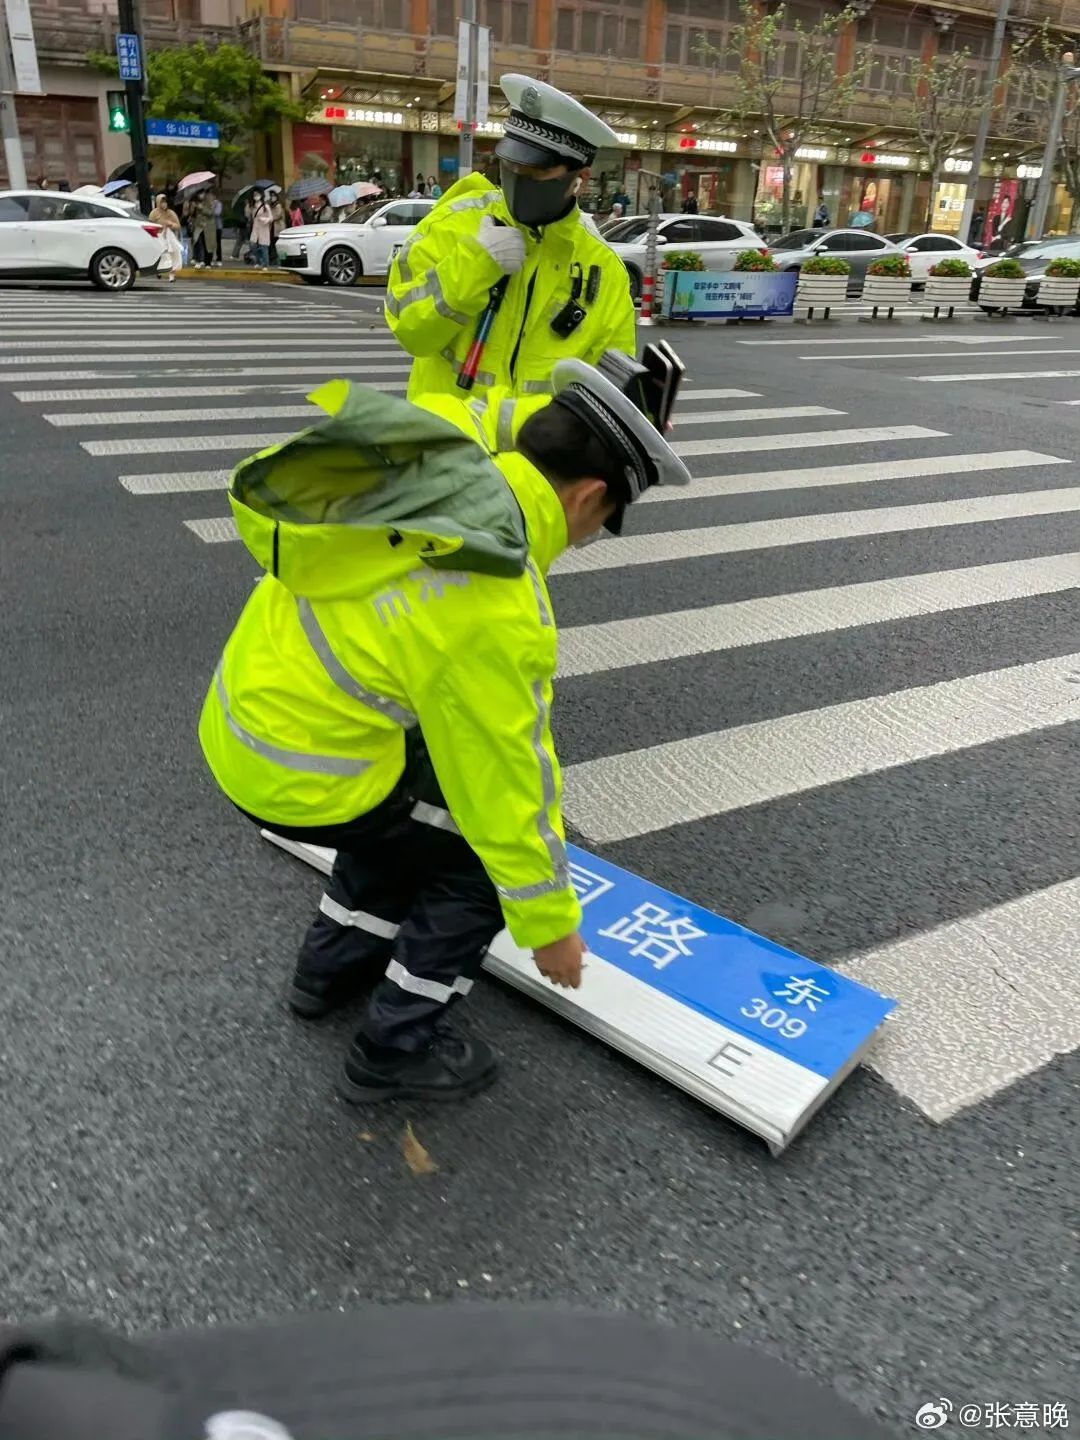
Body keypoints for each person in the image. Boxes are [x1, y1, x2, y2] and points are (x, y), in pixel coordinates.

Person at [198, 352, 689, 1101]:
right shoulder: (494, 600)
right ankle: (394, 1049)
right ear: (590, 497)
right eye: (607, 522)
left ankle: (329, 969)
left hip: (245, 727)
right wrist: (548, 922)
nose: (593, 538)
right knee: (480, 859)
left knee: (417, 807)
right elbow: (506, 783)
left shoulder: (431, 474)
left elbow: (475, 403)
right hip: (308, 776)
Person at [385, 74, 636, 402]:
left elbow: (612, 387)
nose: (518, 179)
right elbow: (410, 332)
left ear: (580, 180)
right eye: (510, 166)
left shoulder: (603, 269)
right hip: (446, 448)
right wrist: (475, 265)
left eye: (536, 172)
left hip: (534, 453)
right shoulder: (453, 223)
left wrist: (639, 418)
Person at [149, 192, 182, 281]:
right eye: (162, 202)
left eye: (165, 202)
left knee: (174, 254)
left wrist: (171, 224)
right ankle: (159, 271)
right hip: (158, 236)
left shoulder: (171, 213)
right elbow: (149, 225)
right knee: (161, 254)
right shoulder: (154, 213)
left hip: (169, 236)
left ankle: (172, 275)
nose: (164, 204)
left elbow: (178, 225)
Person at [187, 189, 217, 269]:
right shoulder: (196, 203)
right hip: (199, 227)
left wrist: (202, 208)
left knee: (208, 245)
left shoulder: (209, 202)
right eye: (199, 194)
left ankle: (208, 263)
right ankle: (199, 260)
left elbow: (211, 213)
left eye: (202, 193)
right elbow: (193, 215)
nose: (201, 195)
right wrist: (193, 208)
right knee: (198, 242)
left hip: (208, 227)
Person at [247, 190, 274, 269]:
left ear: (261, 195)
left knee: (264, 246)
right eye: (254, 195)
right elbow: (249, 216)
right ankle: (258, 261)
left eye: (257, 194)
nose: (256, 196)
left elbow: (271, 218)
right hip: (255, 228)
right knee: (253, 244)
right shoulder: (252, 206)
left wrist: (265, 219)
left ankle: (265, 264)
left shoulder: (266, 206)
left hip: (264, 228)